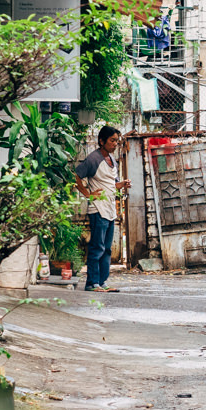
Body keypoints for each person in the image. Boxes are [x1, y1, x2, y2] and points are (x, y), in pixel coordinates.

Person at [74, 125, 127, 292]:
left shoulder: (112, 161)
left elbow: (111, 184)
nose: (115, 144)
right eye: (112, 140)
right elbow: (76, 175)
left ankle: (102, 282)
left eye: (117, 141)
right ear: (101, 141)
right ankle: (92, 283)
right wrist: (88, 194)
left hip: (110, 209)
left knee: (107, 248)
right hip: (98, 209)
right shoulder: (93, 159)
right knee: (97, 247)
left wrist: (122, 185)